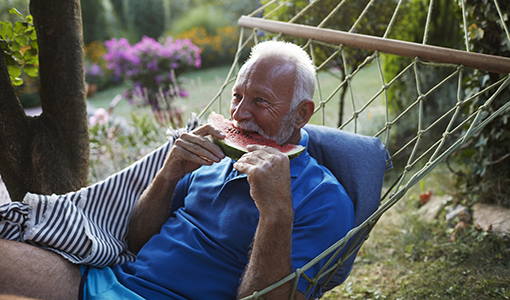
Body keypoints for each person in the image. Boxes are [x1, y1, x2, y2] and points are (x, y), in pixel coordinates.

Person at [0, 40, 354, 300]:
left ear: (302, 114)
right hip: (101, 283)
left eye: (260, 101)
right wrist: (168, 175)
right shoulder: (208, 159)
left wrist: (275, 212)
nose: (240, 114)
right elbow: (136, 241)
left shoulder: (324, 200)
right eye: (237, 96)